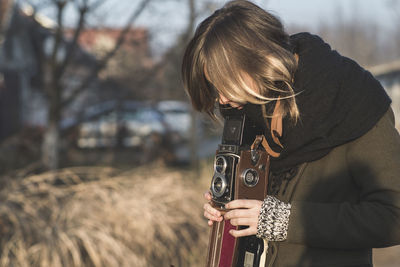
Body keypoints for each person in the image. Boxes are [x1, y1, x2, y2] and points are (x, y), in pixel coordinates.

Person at [181, 1, 400, 266]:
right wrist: (228, 205)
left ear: (257, 58)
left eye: (226, 84)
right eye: (215, 88)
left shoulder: (353, 100)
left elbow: (392, 216)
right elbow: (257, 209)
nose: (223, 99)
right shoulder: (249, 108)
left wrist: (283, 221)